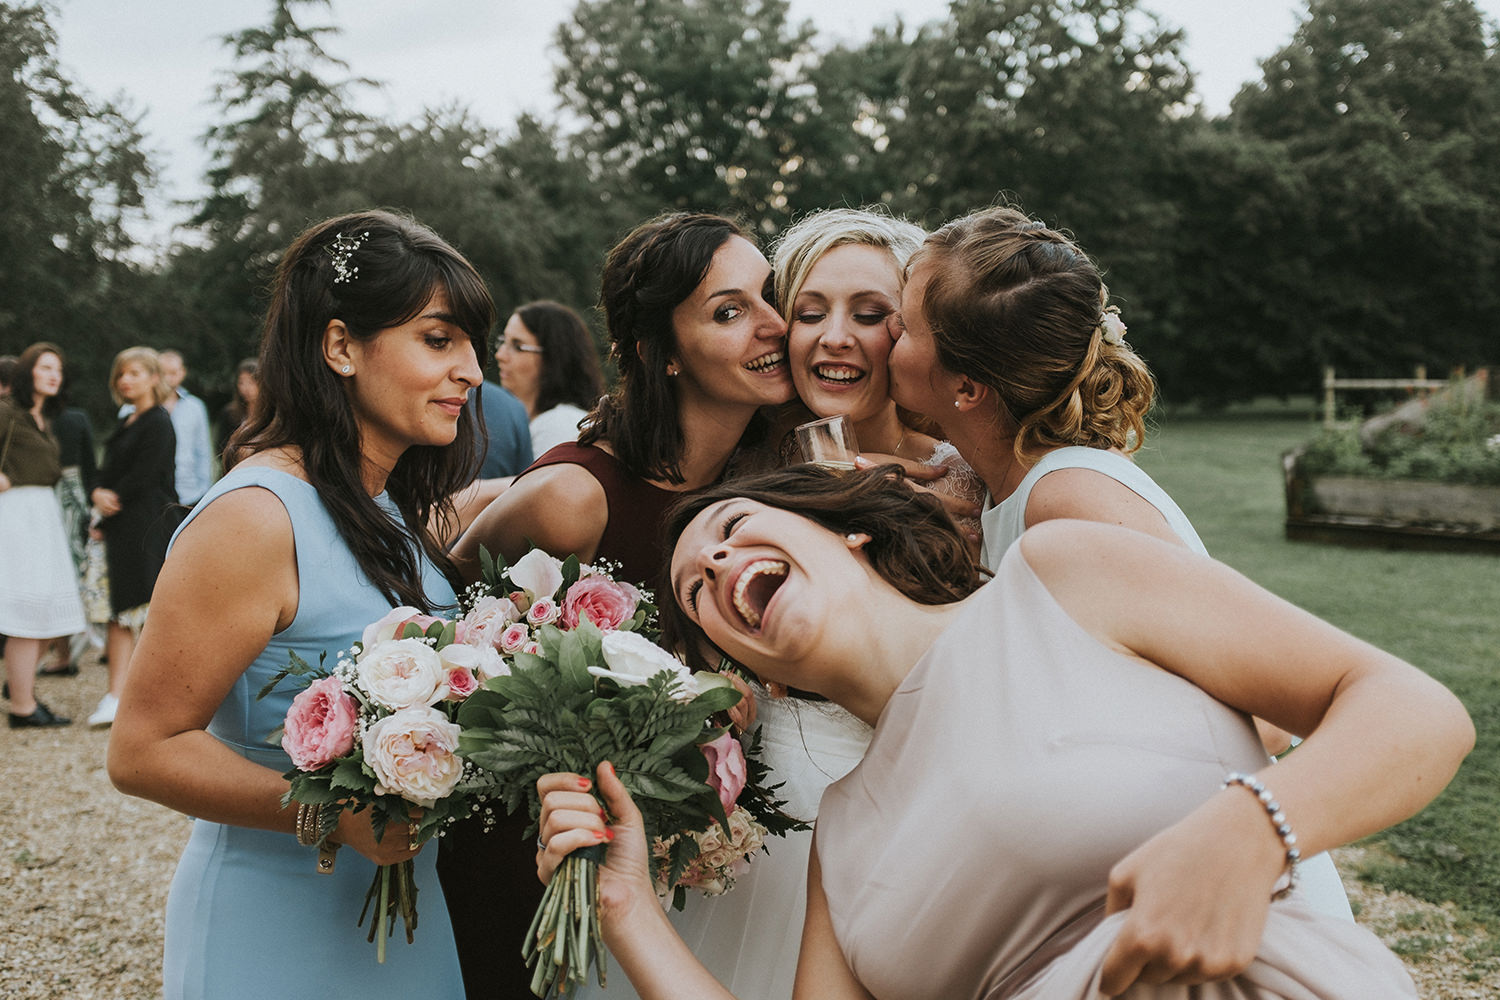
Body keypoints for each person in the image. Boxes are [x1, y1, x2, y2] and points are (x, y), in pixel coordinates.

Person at [538, 465, 1473, 1000]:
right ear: (743, 667)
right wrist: (628, 910)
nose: (719, 562)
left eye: (736, 528)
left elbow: (1413, 709)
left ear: (845, 531)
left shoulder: (1064, 578)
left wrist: (1249, 826)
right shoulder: (846, 838)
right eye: (699, 588)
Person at [884, 204, 1354, 920]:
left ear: (969, 387)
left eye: (906, 325)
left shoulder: (1072, 498)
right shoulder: (998, 481)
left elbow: (1271, 717)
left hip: (1208, 889)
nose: (888, 334)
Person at [106, 209, 485, 998]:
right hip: (274, 925)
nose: (474, 370)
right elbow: (142, 748)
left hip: (403, 927)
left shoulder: (385, 510)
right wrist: (328, 814)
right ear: (341, 345)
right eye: (439, 339)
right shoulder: (255, 517)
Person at [443, 212, 794, 998]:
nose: (774, 325)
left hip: (668, 864)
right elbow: (445, 608)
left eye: (769, 296)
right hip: (532, 852)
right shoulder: (574, 499)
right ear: (658, 353)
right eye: (729, 311)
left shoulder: (772, 478)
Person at [88, 347, 179, 728]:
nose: (126, 380)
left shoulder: (158, 421)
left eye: (136, 373)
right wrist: (97, 493)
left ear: (154, 378)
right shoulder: (127, 421)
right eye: (122, 374)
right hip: (122, 524)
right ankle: (116, 694)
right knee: (120, 611)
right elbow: (104, 470)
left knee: (140, 611)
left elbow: (146, 474)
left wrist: (114, 500)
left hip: (145, 525)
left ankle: (145, 700)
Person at [0, 343, 88, 727]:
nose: (55, 374)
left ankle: (23, 694)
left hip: (42, 517)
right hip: (17, 516)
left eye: (59, 369)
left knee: (43, 611)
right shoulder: (7, 412)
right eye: (46, 367)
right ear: (27, 372)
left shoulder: (41, 419)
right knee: (26, 610)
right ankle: (21, 707)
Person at [497, 299, 606, 457]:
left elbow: (541, 482)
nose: (500, 355)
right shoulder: (532, 423)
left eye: (517, 346)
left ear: (552, 358)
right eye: (502, 342)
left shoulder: (558, 424)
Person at [216, 358, 260, 468]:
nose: (246, 388)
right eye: (241, 383)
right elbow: (220, 448)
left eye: (251, 382)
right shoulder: (230, 413)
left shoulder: (272, 414)